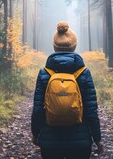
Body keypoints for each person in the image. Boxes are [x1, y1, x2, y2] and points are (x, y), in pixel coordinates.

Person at [31, 21, 103, 159]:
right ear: (74, 46)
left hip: (50, 139)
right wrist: (97, 138)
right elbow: (91, 110)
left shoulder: (44, 73)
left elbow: (38, 109)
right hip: (80, 140)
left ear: (54, 46)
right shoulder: (84, 73)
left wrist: (35, 133)